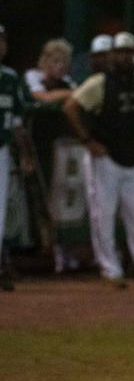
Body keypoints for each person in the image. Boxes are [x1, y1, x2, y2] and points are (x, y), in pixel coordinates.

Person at [62, 32, 134, 289]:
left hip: (130, 158)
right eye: (120, 51)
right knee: (104, 215)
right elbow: (70, 106)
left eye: (128, 51)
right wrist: (88, 140)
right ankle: (110, 270)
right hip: (104, 158)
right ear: (113, 54)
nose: (124, 56)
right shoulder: (100, 81)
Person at [0, 24, 30, 291]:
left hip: (2, 151)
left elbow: (19, 122)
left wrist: (25, 154)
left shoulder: (10, 77)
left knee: (1, 212)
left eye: (2, 40)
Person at [24, 38, 76, 103]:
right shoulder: (32, 75)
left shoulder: (67, 81)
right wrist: (73, 93)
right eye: (55, 61)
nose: (61, 66)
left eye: (65, 61)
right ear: (45, 61)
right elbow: (44, 97)